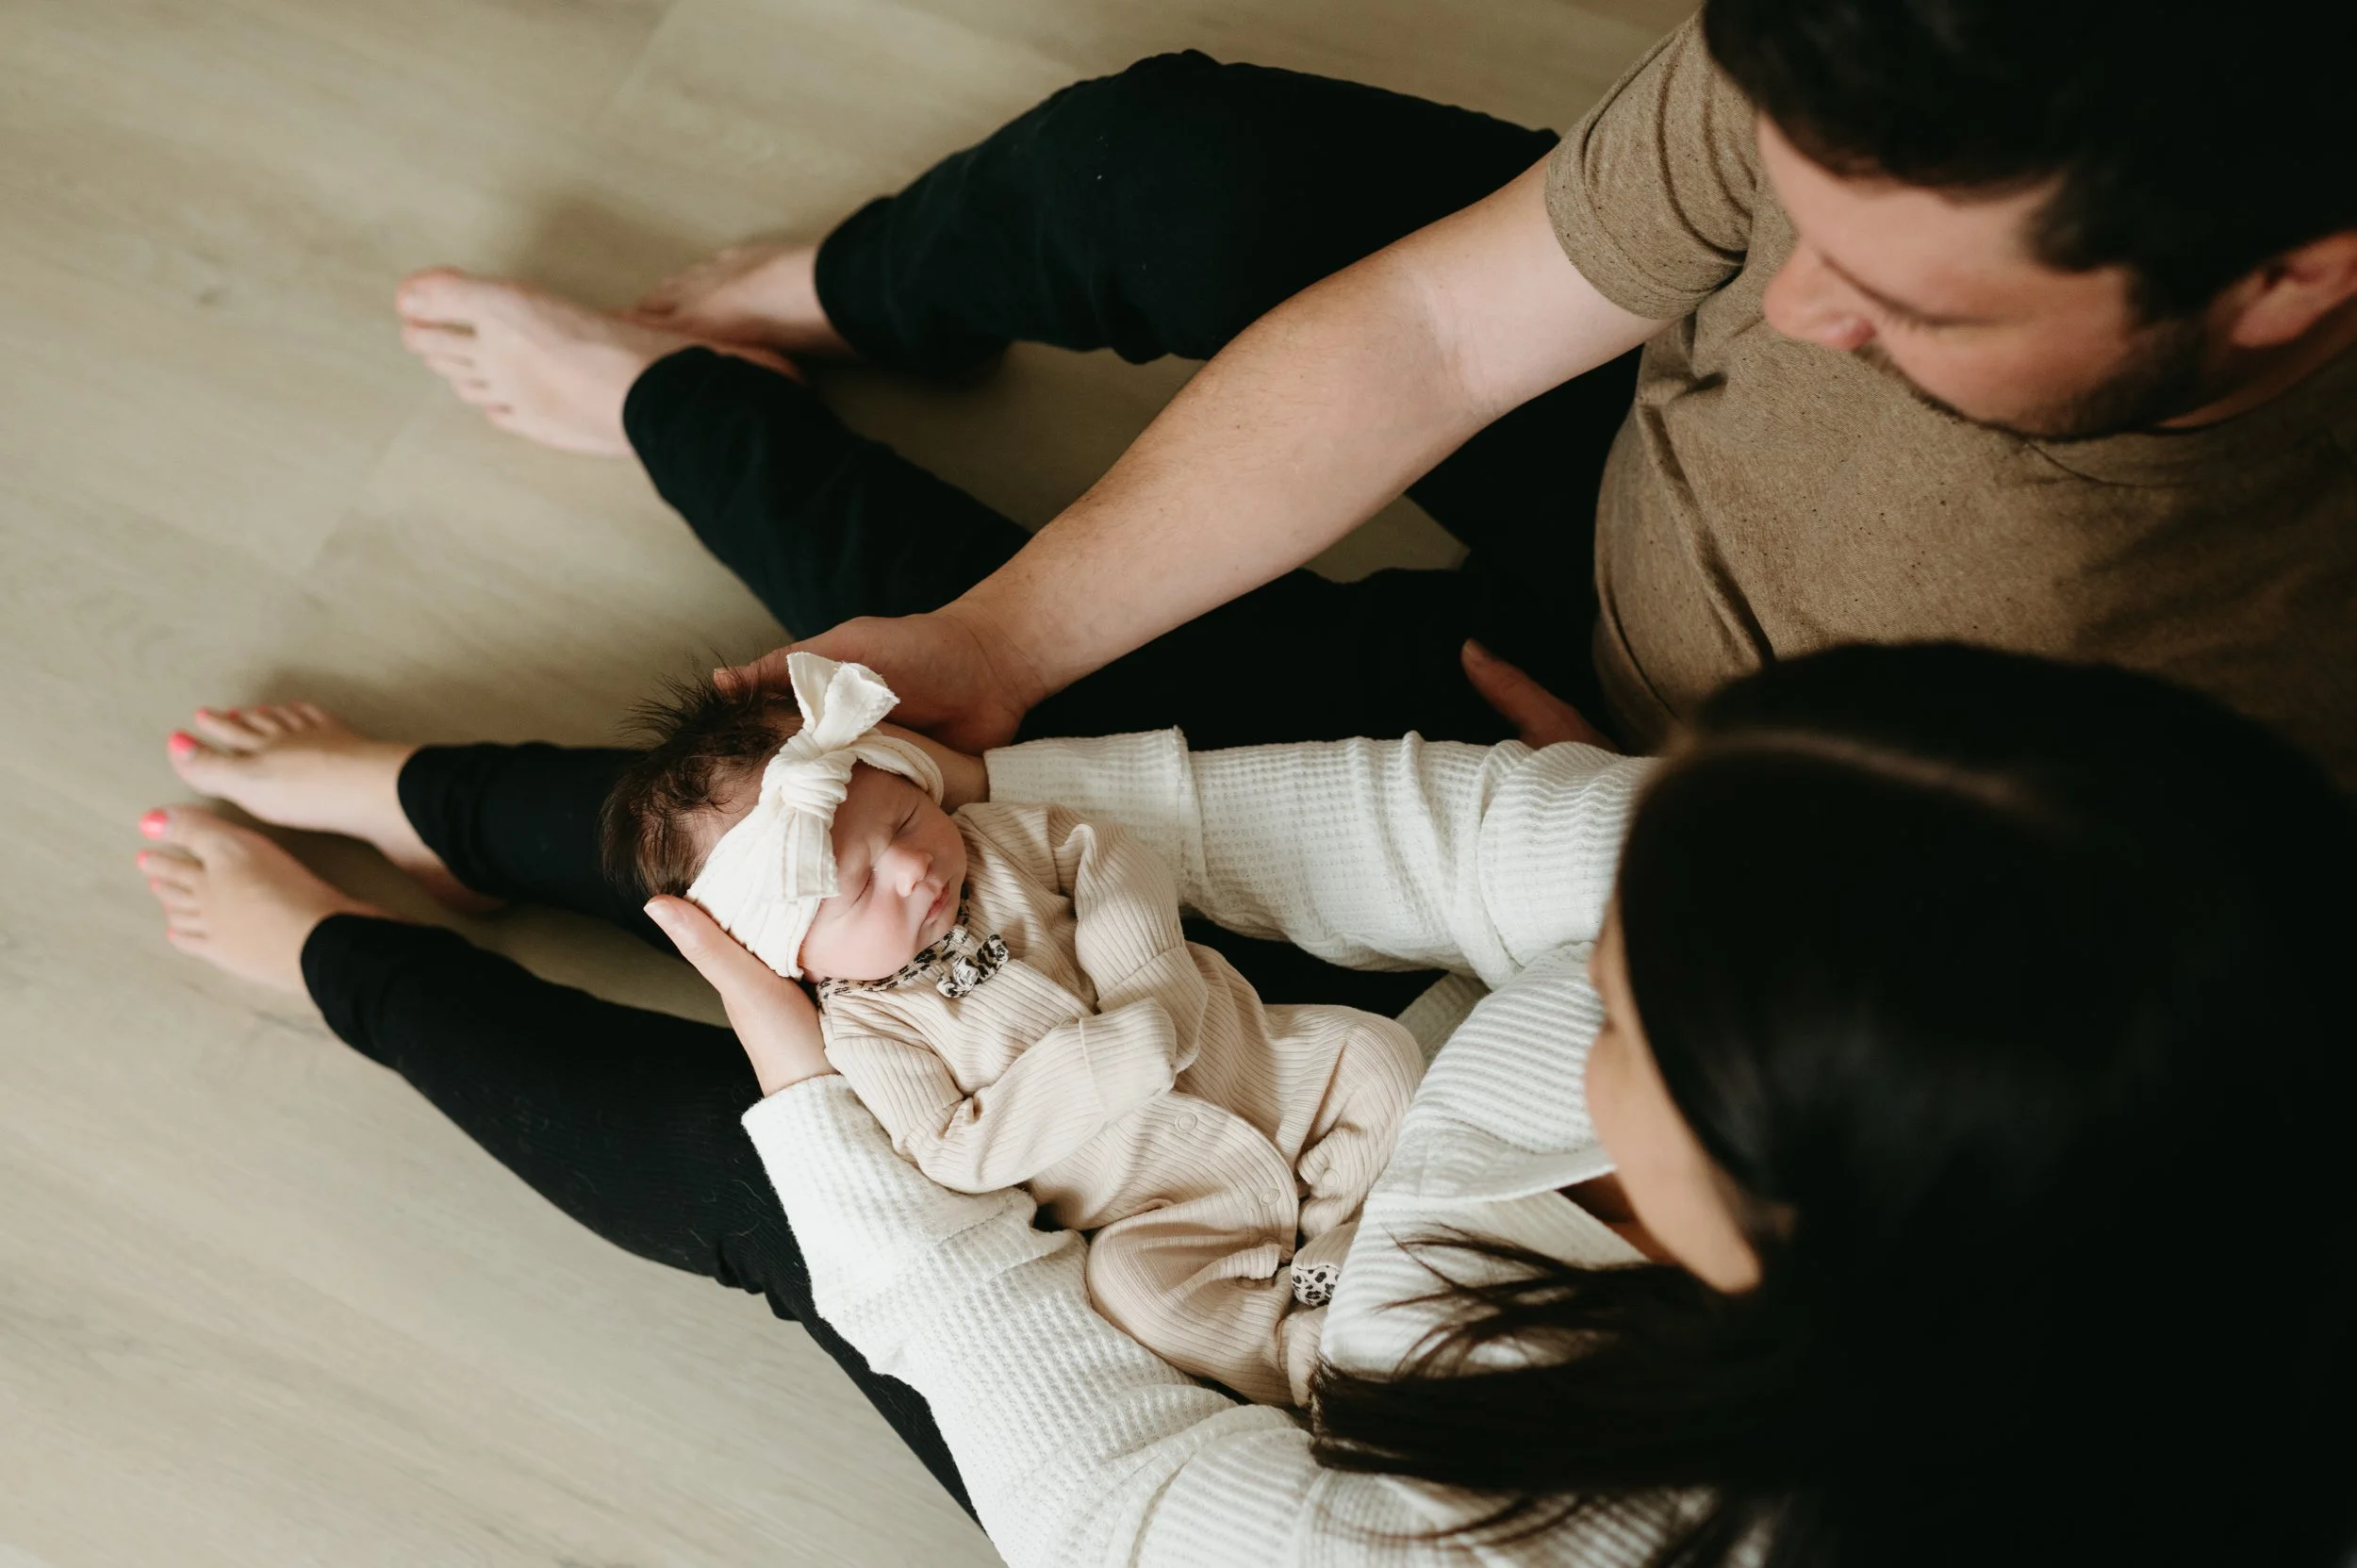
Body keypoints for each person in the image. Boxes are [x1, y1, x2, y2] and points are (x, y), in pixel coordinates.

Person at [136, 643, 2357, 1565]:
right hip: (1253, 1091)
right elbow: (1477, 843)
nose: (1582, 973)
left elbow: (1110, 1486)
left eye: (1624, 1006)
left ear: (1794, 1229)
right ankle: (442, 799)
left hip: (1196, 1356)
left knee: (745, 1185)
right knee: (783, 831)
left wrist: (816, 1094)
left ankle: (357, 968)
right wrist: (959, 823)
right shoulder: (2066, 996)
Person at [411, 0, 2357, 778]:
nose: (1782, 313)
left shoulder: (2275, 662)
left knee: (1030, 784)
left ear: (2287, 280)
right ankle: (851, 286)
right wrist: (1007, 632)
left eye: (1904, 312)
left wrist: (1657, 854)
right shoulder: (1905, 52)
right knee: (1171, 166)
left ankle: (683, 411)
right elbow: (1434, 335)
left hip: (1636, 766)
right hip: (1611, 473)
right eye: (1785, 217)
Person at [602, 654, 1423, 1407]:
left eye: (906, 818)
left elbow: (1104, 852)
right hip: (1166, 1211)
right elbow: (950, 1145)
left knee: (1378, 1055)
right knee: (1137, 1291)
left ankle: (1347, 1239)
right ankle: (1300, 1354)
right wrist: (1094, 1064)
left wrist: (1146, 981)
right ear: (792, 957)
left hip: (1270, 1072)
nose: (913, 868)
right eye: (859, 887)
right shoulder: (868, 1030)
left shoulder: (1000, 846)